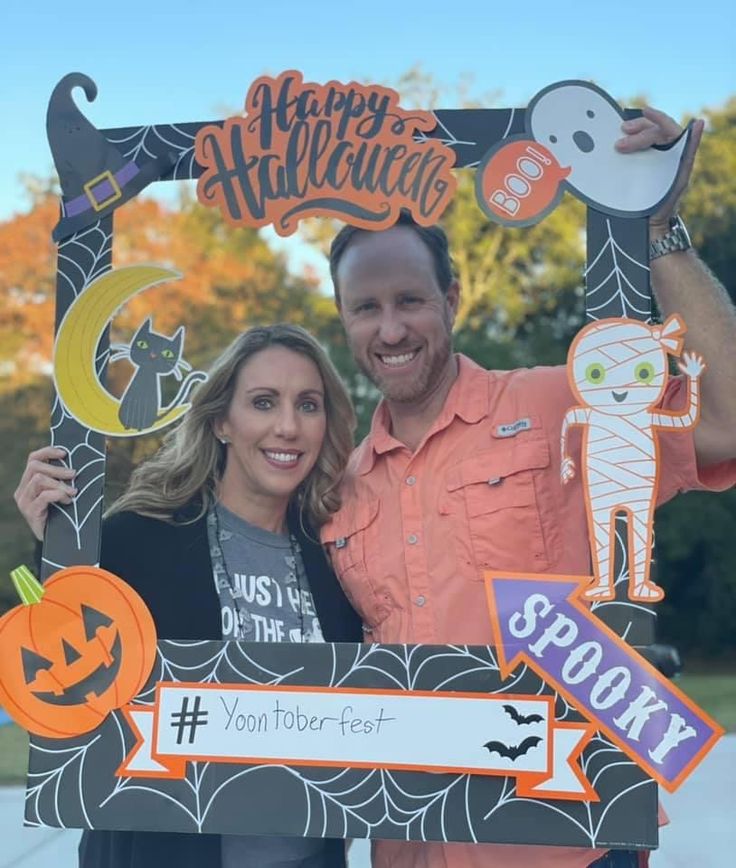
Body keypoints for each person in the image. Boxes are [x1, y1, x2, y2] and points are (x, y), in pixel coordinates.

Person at [320, 107, 736, 868]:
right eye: (365, 308)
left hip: (571, 840)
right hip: (413, 852)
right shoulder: (336, 488)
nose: (390, 329)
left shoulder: (561, 403)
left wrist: (660, 233)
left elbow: (730, 420)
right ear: (343, 321)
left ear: (450, 297)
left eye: (409, 300)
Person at [15, 324, 362, 868]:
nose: (288, 427)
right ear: (222, 419)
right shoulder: (136, 539)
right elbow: (62, 669)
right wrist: (55, 543)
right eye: (263, 402)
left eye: (309, 405)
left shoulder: (337, 557)